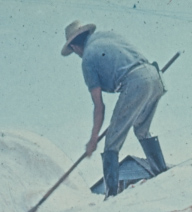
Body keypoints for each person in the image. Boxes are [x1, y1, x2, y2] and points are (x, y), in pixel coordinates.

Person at [62, 20, 167, 197]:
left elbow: (99, 106)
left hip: (134, 82)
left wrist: (93, 139)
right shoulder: (108, 36)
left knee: (112, 141)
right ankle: (163, 173)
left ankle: (111, 196)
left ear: (74, 46)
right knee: (142, 129)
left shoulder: (87, 59)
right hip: (154, 75)